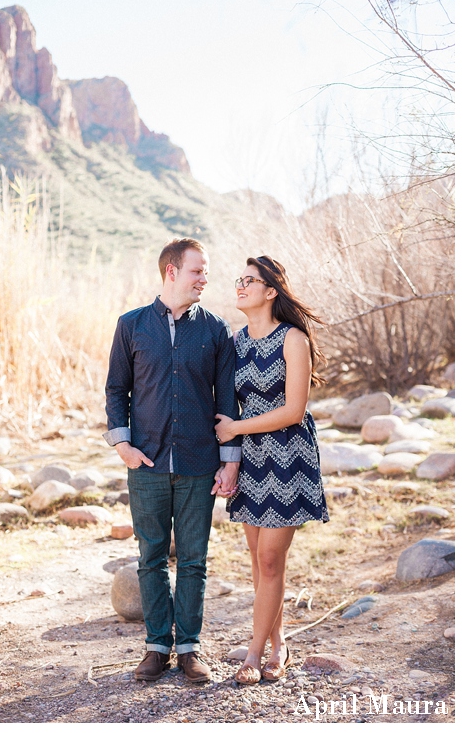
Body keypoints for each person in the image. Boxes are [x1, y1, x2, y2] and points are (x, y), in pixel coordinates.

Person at [104, 238, 241, 684]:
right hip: (145, 464)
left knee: (195, 559)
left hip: (200, 463)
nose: (205, 279)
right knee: (151, 557)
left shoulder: (216, 330)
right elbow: (115, 390)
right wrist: (122, 445)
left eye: (205, 272)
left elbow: (227, 401)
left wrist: (230, 461)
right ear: (171, 272)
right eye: (197, 271)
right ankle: (157, 646)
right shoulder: (131, 326)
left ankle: (189, 649)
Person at [214, 255, 329, 685]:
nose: (240, 285)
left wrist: (236, 429)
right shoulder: (235, 341)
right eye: (238, 279)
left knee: (269, 556)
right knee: (261, 563)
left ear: (270, 291)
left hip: (288, 455)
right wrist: (231, 456)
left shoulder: (292, 339)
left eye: (250, 280)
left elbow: (294, 410)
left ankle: (256, 652)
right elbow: (226, 403)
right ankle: (279, 644)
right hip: (252, 458)